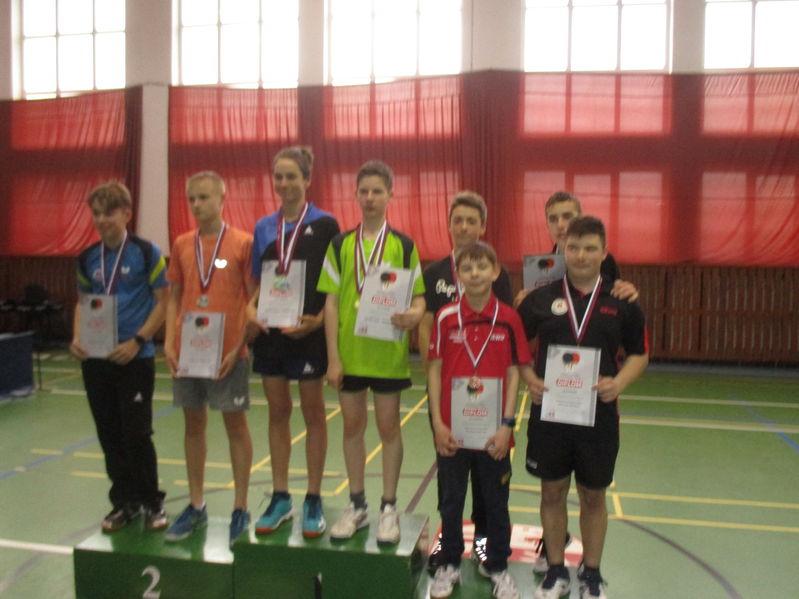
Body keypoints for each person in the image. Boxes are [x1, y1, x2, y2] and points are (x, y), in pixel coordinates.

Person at [517, 216, 649, 599]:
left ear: (603, 252)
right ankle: (556, 570)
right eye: (574, 248)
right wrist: (529, 378)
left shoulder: (621, 301)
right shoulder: (541, 299)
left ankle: (591, 574)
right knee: (552, 493)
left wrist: (618, 384)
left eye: (590, 248)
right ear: (563, 250)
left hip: (598, 416)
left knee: (593, 497)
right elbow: (515, 346)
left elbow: (640, 354)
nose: (581, 255)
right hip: (550, 415)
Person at [317, 160, 426, 544]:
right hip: (350, 355)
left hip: (387, 356)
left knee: (388, 428)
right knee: (352, 427)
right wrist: (333, 357)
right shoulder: (340, 245)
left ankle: (389, 508)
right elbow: (331, 303)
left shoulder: (404, 246)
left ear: (390, 195)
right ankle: (357, 504)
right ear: (355, 195)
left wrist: (414, 315)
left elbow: (419, 300)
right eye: (363, 191)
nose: (370, 197)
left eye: (377, 191)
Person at [246, 147, 340, 538]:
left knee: (313, 414)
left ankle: (313, 497)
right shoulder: (263, 227)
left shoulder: (326, 225)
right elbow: (258, 281)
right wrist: (249, 308)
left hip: (308, 333)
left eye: (291, 176)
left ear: (307, 179)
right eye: (278, 176)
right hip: (272, 334)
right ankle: (281, 496)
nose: (284, 183)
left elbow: (334, 285)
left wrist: (318, 322)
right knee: (278, 412)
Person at [418, 191, 513, 572]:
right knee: (451, 475)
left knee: (488, 477)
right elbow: (427, 324)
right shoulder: (434, 274)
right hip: (448, 391)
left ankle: (485, 541)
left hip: (487, 396)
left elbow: (504, 325)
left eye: (471, 221)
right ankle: (449, 542)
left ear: (482, 226)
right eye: (457, 220)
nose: (463, 226)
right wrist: (433, 364)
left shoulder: (497, 273)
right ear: (448, 225)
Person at [427, 241, 528, 599]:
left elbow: (514, 373)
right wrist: (438, 424)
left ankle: (497, 566)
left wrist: (506, 425)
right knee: (451, 502)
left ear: (495, 271)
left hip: (493, 434)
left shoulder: (510, 319)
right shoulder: (444, 318)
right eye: (467, 268)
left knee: (495, 503)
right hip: (453, 432)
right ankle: (450, 563)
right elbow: (434, 370)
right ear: (458, 275)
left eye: (482, 266)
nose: (475, 274)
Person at [163, 171, 255, 548]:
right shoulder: (182, 244)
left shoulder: (243, 243)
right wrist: (169, 341)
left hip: (228, 354)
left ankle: (240, 507)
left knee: (236, 427)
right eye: (192, 199)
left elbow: (253, 299)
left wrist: (239, 347)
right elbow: (174, 295)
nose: (197, 205)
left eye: (204, 198)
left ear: (222, 198)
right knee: (193, 426)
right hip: (189, 352)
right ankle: (196, 504)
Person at [70, 182, 169, 533]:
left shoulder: (146, 252)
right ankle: (124, 502)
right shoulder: (87, 257)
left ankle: (152, 501)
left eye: (108, 213)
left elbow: (163, 302)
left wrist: (138, 340)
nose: (101, 220)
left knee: (137, 433)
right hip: (97, 359)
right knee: (109, 433)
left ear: (126, 213)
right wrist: (77, 337)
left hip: (134, 359)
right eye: (96, 213)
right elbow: (82, 303)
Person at [514, 190, 637, 309]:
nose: (560, 225)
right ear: (547, 225)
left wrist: (626, 291)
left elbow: (616, 297)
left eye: (567, 217)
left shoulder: (603, 260)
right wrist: (522, 305)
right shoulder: (538, 268)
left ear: (580, 220)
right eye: (553, 219)